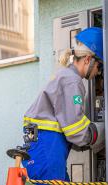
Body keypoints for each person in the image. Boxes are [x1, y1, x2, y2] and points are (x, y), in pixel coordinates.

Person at [22, 27, 104, 181]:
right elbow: (75, 129)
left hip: (42, 145)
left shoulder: (65, 75)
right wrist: (102, 132)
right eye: (99, 67)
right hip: (47, 146)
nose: (98, 73)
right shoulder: (72, 80)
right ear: (88, 59)